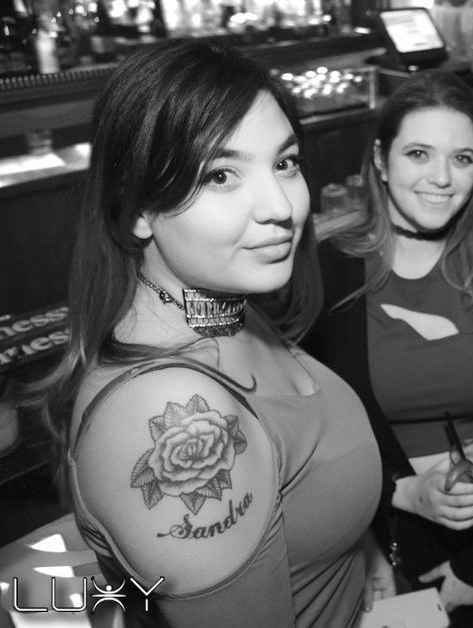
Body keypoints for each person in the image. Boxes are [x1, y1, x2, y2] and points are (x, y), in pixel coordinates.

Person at [31, 40, 386, 627]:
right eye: (222, 175)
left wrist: (361, 556)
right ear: (137, 208)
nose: (280, 206)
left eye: (285, 163)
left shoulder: (214, 302)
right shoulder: (163, 410)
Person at [302, 70, 473, 628]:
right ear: (380, 159)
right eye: (419, 153)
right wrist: (397, 494)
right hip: (373, 540)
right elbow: (308, 430)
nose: (442, 178)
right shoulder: (328, 271)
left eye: (462, 159)